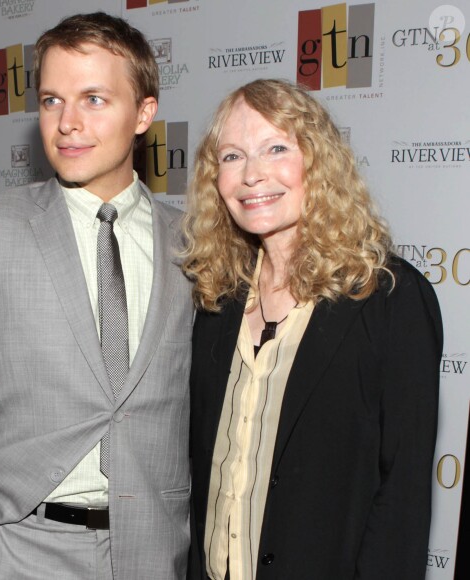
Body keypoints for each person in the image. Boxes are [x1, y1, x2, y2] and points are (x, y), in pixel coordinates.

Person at [0, 12, 193, 580]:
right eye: (52, 100)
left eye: (93, 99)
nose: (67, 123)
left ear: (144, 113)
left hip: (158, 553)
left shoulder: (194, 246)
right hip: (18, 551)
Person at [184, 79, 442, 580]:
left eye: (276, 148)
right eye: (232, 157)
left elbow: (403, 495)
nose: (252, 175)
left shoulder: (388, 298)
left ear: (318, 163)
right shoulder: (217, 299)